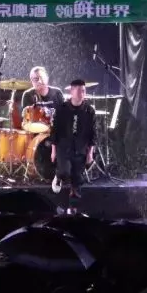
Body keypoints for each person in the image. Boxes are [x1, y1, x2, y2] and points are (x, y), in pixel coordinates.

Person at [50, 79, 96, 213]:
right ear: (71, 91)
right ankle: (58, 175)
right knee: (65, 171)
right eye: (79, 91)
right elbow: (55, 131)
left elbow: (93, 134)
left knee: (77, 180)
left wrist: (90, 153)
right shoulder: (62, 109)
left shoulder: (89, 110)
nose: (82, 94)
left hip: (80, 149)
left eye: (84, 91)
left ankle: (73, 209)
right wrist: (53, 151)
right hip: (64, 148)